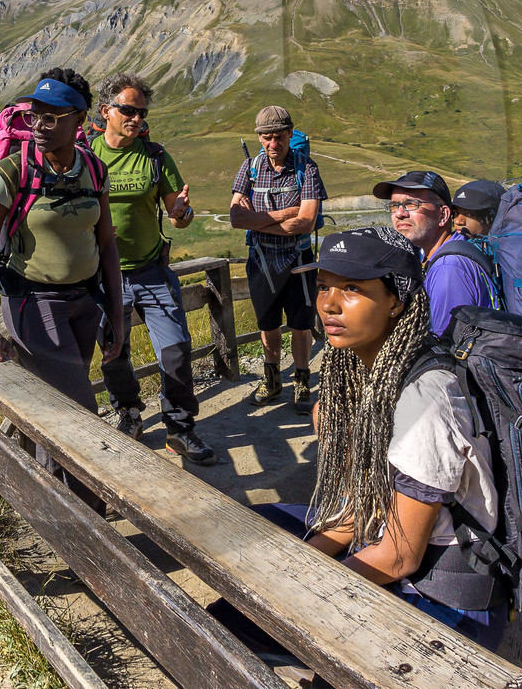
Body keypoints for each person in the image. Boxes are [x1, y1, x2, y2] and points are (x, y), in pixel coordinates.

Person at [206, 228, 506, 654]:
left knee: (237, 633)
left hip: (442, 589)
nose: (328, 303)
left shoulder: (425, 399)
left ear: (397, 300)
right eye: (324, 285)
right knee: (236, 550)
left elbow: (401, 556)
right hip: (375, 541)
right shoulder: (353, 378)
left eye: (352, 288)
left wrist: (299, 590)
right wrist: (299, 566)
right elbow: (351, 511)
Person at [0, 69, 127, 497]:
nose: (39, 124)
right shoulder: (11, 172)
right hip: (33, 305)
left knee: (58, 410)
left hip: (84, 304)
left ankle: (50, 502)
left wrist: (115, 310)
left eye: (53, 117)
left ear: (80, 120)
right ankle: (89, 517)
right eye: (36, 113)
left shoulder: (93, 168)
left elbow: (107, 243)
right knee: (79, 414)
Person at [91, 72, 216, 466]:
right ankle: (129, 412)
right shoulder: (86, 154)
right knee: (114, 352)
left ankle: (179, 429)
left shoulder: (155, 155)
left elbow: (178, 215)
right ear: (106, 110)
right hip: (103, 275)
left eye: (142, 112)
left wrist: (182, 213)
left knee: (176, 350)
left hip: (150, 269)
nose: (136, 118)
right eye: (128, 110)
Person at [230, 106, 326, 413]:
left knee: (301, 324)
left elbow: (307, 222)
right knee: (267, 323)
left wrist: (255, 218)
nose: (274, 144)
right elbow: (234, 218)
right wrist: (285, 213)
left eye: (280, 137)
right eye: (268, 138)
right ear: (260, 138)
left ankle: (301, 380)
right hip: (261, 261)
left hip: (299, 261)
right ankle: (271, 379)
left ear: (289, 134)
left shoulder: (307, 168)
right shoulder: (249, 167)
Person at [374, 171, 493, 337]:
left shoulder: (449, 268)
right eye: (394, 206)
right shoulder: (437, 254)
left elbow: (444, 345)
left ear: (443, 214)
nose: (400, 214)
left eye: (411, 204)